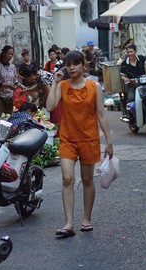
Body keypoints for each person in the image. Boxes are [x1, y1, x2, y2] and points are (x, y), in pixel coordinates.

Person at [46, 50, 113, 238]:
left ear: (84, 65)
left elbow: (101, 114)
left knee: (88, 180)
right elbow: (50, 106)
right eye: (68, 64)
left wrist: (109, 141)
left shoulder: (94, 86)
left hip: (89, 138)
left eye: (76, 64)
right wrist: (55, 82)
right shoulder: (63, 85)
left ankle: (86, 219)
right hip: (67, 138)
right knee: (67, 179)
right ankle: (68, 223)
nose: (71, 67)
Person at [119, 44, 146, 129]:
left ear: (135, 51)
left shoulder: (141, 58)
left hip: (144, 84)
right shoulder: (124, 63)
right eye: (128, 52)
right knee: (131, 100)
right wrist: (126, 79)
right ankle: (131, 118)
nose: (130, 54)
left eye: (131, 51)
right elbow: (122, 75)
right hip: (132, 85)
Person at [0, 45, 18, 116]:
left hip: (9, 97)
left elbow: (15, 80)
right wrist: (8, 85)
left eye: (12, 54)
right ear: (3, 54)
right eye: (8, 53)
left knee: (8, 118)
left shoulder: (13, 67)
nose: (10, 56)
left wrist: (21, 86)